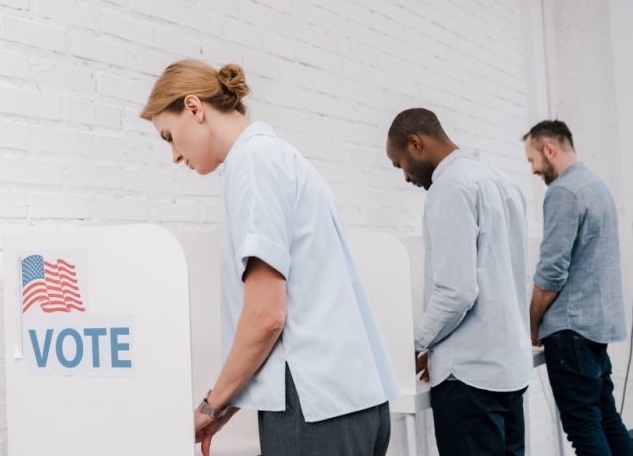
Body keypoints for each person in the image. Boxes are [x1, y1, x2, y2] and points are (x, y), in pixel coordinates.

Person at [140, 59, 398, 456]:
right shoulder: (278, 156)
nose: (175, 155)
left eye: (169, 136)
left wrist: (211, 405)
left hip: (313, 411)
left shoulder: (253, 163)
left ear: (194, 108)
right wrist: (228, 402)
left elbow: (267, 317)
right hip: (351, 402)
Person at [386, 108, 531, 455]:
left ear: (415, 143)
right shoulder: (501, 181)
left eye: (399, 163)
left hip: (469, 379)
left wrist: (414, 345)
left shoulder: (449, 187)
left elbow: (457, 291)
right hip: (508, 371)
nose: (405, 176)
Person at [524, 119, 633, 456]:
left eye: (532, 160)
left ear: (549, 149)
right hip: (595, 329)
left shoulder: (563, 192)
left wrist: (532, 322)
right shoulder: (596, 186)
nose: (532, 170)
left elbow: (552, 269)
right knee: (607, 419)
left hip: (570, 331)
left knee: (584, 429)